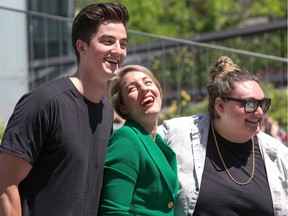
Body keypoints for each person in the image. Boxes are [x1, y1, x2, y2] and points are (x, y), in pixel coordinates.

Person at [0, 3, 129, 215]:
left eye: (123, 43)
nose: (118, 50)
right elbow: (5, 185)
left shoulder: (106, 111)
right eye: (107, 41)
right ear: (82, 47)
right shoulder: (44, 102)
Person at [157, 56, 288, 216]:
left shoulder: (278, 155)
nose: (260, 112)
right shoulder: (176, 134)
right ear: (220, 105)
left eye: (263, 104)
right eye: (250, 104)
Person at [98, 65, 179, 215]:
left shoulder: (160, 143)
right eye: (132, 88)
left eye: (148, 82)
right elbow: (114, 211)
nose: (144, 89)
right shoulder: (125, 139)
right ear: (123, 108)